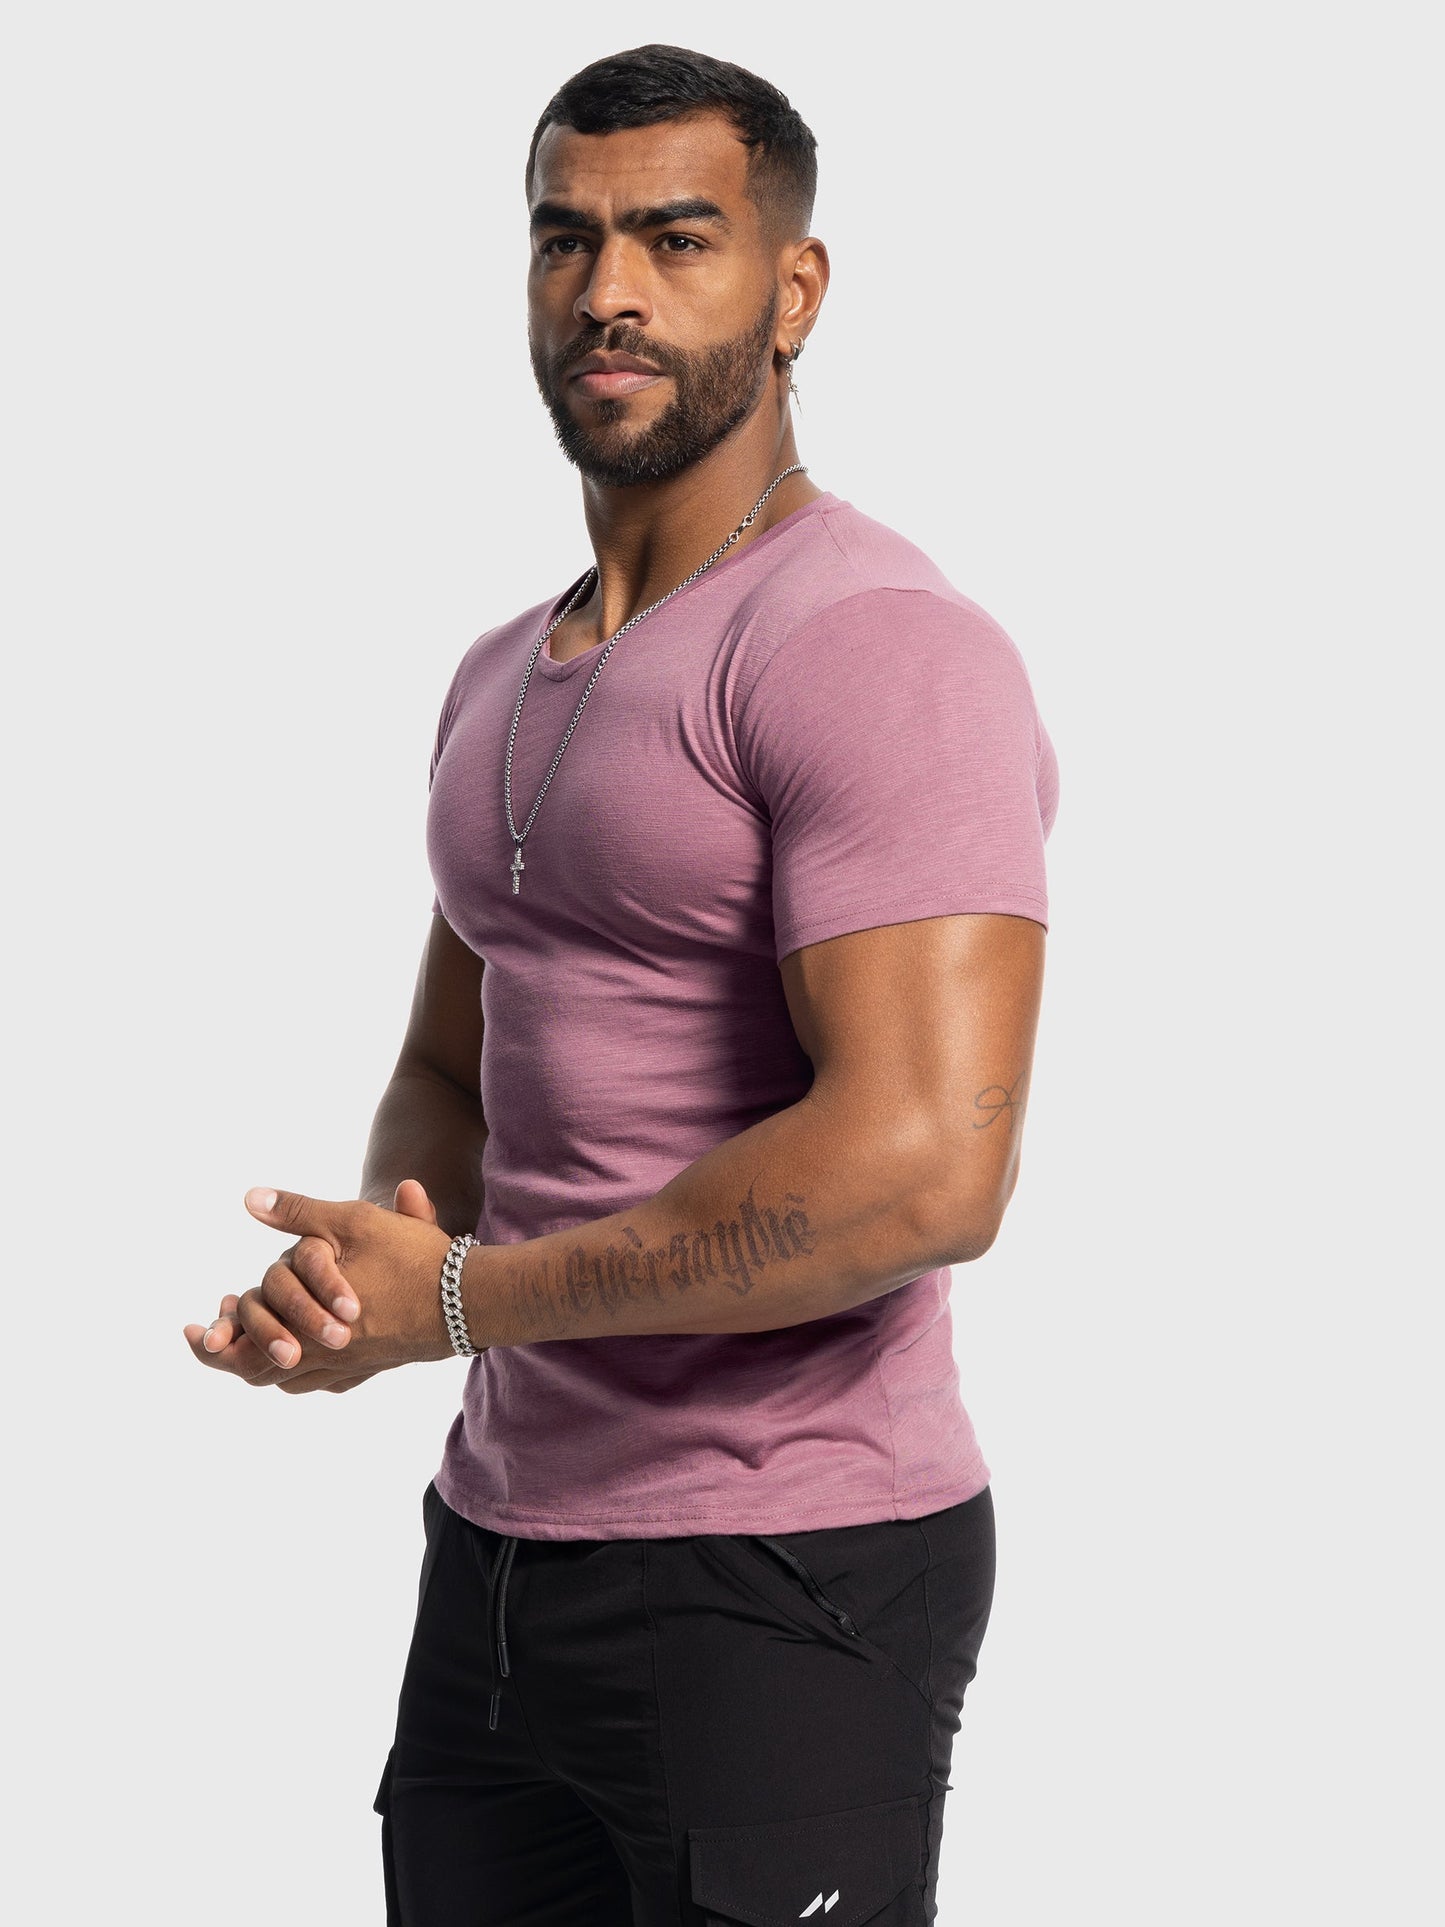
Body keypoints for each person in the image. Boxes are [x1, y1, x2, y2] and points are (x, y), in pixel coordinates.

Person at [183, 42, 1059, 1926]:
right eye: (564, 240)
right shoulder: (505, 668)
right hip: (500, 1550)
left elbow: (924, 1175)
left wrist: (464, 1302)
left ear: (793, 289)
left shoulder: (869, 643)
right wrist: (367, 1274)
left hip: (788, 1562)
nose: (609, 291)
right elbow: (458, 1063)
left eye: (676, 239)